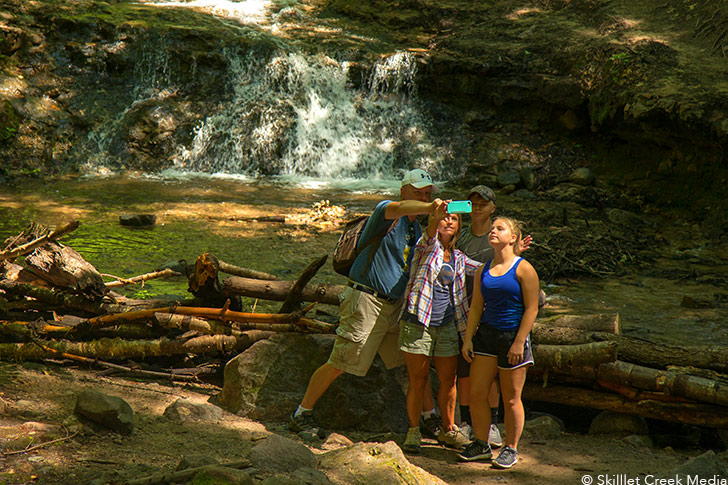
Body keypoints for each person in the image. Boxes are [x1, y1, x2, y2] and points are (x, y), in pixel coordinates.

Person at [289, 168, 445, 437]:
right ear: (403, 191)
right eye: (418, 192)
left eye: (428, 193)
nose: (423, 197)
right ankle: (302, 413)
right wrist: (428, 206)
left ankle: (428, 417)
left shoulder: (416, 226)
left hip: (394, 307)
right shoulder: (387, 211)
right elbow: (397, 208)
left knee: (412, 364)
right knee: (340, 362)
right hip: (366, 301)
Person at [459, 217, 540, 469]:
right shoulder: (484, 269)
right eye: (492, 228)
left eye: (500, 228)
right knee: (476, 392)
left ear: (513, 237)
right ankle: (481, 444)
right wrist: (469, 338)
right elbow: (475, 307)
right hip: (486, 336)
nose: (493, 231)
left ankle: (511, 448)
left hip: (512, 337)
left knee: (512, 398)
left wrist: (518, 342)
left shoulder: (523, 268)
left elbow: (532, 308)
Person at [399, 203, 480, 453]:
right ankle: (413, 431)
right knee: (418, 379)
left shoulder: (458, 258)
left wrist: (512, 253)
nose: (448, 221)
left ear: (458, 226)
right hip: (418, 321)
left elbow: (483, 269)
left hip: (446, 325)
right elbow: (429, 234)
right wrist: (435, 215)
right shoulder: (426, 247)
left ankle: (449, 431)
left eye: (453, 218)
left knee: (449, 380)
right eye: (444, 218)